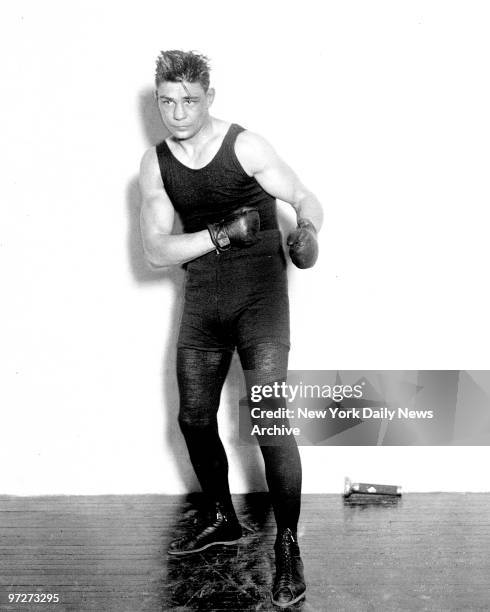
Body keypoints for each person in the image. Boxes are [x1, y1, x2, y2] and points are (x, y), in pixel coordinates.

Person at [139, 50, 323, 608]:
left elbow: (302, 196)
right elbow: (155, 250)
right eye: (167, 101)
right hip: (204, 302)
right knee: (192, 417)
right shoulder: (155, 164)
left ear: (209, 98)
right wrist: (219, 235)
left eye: (190, 101)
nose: (178, 113)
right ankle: (223, 516)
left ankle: (287, 545)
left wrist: (308, 230)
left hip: (261, 301)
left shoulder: (246, 145)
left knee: (268, 420)